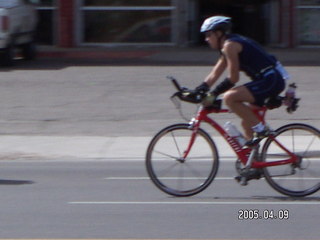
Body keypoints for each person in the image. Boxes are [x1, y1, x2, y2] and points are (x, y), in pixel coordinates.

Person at [191, 16, 288, 146]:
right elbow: (215, 73)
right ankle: (253, 160)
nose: (206, 39)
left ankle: (262, 130)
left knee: (230, 98)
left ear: (219, 33)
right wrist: (200, 89)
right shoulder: (228, 45)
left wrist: (213, 94)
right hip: (268, 80)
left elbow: (233, 78)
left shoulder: (230, 46)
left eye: (209, 35)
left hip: (270, 80)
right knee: (247, 121)